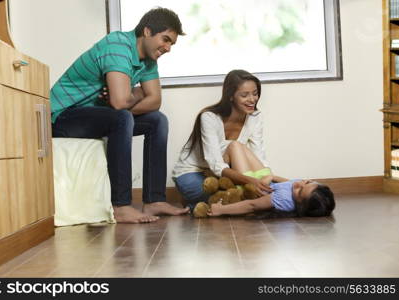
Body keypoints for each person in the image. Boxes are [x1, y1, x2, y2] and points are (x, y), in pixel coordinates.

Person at [51, 7, 189, 224]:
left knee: (157, 120)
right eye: (165, 39)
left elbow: (154, 101)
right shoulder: (118, 45)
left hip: (94, 116)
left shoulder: (149, 61)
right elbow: (120, 102)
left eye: (171, 43)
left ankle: (154, 199)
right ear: (147, 31)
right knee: (122, 117)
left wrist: (126, 97)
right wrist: (135, 93)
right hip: (63, 115)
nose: (168, 48)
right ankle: (120, 205)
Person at [172, 69, 272, 212]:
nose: (252, 99)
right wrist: (251, 181)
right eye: (244, 95)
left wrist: (266, 179)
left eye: (255, 94)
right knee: (218, 192)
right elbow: (216, 164)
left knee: (237, 192)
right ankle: (202, 203)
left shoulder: (255, 117)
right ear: (230, 96)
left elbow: (258, 155)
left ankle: (214, 205)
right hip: (194, 172)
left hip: (224, 174)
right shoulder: (209, 117)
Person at [207, 175, 335, 218]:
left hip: (254, 188)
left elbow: (252, 205)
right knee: (238, 147)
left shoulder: (284, 200)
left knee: (235, 147)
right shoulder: (312, 187)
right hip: (266, 180)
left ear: (299, 205)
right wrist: (272, 176)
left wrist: (221, 210)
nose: (299, 183)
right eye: (307, 182)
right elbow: (289, 182)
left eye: (300, 191)